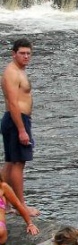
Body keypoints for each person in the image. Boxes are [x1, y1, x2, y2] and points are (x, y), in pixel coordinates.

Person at [2, 38, 37, 217]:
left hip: (17, 121)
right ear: (13, 53)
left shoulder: (20, 71)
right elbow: (13, 103)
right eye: (22, 53)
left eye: (28, 53)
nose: (25, 56)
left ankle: (6, 202)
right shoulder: (12, 72)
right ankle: (20, 205)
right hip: (16, 121)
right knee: (18, 163)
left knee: (10, 162)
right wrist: (22, 129)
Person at [0, 172, 39, 245]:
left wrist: (30, 223)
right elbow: (18, 205)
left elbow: (18, 205)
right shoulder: (3, 186)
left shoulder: (3, 187)